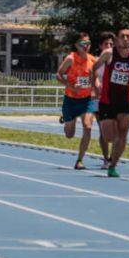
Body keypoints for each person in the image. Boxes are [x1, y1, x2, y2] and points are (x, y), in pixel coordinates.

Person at [91, 27, 129, 177]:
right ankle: (112, 153)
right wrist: (96, 85)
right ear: (117, 39)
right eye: (122, 36)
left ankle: (113, 165)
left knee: (123, 135)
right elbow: (93, 69)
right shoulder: (109, 54)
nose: (125, 39)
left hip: (125, 100)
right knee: (110, 137)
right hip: (107, 100)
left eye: (127, 36)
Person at [56, 32, 97, 170]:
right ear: (76, 46)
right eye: (83, 44)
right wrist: (71, 86)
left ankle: (80, 160)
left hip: (86, 100)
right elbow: (59, 75)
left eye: (88, 43)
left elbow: (95, 78)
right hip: (71, 99)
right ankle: (66, 120)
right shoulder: (70, 59)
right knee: (69, 134)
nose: (86, 46)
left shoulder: (93, 60)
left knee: (88, 126)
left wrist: (95, 90)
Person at [93, 32, 114, 168]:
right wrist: (96, 86)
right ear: (101, 46)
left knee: (116, 129)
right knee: (103, 130)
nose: (108, 46)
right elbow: (92, 74)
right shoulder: (97, 60)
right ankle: (106, 158)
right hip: (99, 99)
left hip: (115, 98)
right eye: (106, 44)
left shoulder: (118, 59)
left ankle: (114, 157)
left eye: (111, 44)